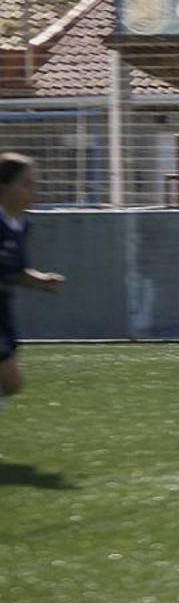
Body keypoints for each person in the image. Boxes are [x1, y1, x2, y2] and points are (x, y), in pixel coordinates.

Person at [0, 153, 67, 412]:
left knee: (12, 383)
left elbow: (16, 272)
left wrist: (40, 280)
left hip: (4, 310)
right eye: (26, 184)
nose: (32, 191)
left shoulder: (20, 227)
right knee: (9, 378)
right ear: (5, 185)